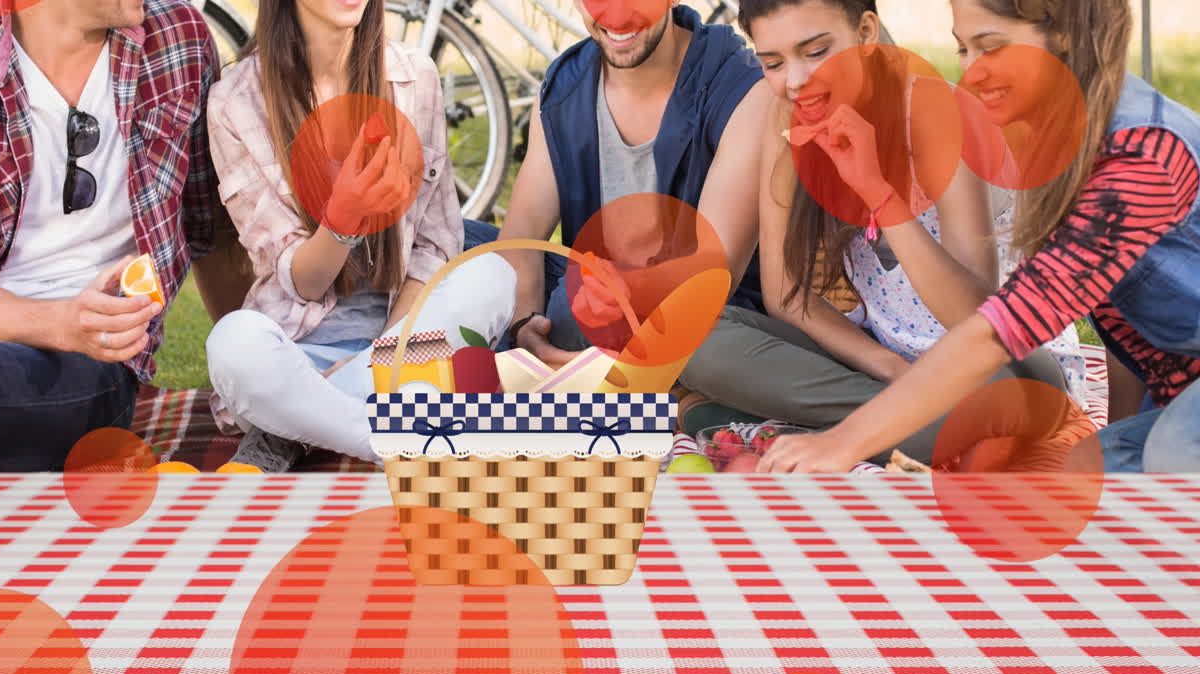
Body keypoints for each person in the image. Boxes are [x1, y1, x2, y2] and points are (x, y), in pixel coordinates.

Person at [758, 0, 1200, 473]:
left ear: (1066, 34)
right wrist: (1113, 436)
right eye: (963, 49)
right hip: (1177, 400)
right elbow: (1118, 320)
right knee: (1071, 483)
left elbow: (1007, 325)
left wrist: (842, 444)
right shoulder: (1068, 135)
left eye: (990, 47)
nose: (970, 75)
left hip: (1178, 421)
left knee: (1169, 455)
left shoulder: (1143, 159)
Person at [679, 0, 1086, 465]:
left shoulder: (940, 114)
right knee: (694, 335)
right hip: (885, 359)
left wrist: (877, 192)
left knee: (1006, 395)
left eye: (816, 52)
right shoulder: (786, 118)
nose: (795, 81)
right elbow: (786, 295)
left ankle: (787, 426)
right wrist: (891, 370)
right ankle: (904, 430)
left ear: (867, 32)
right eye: (773, 62)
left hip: (1003, 361)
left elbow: (977, 322)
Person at [205, 0, 516, 472]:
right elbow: (301, 282)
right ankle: (392, 435)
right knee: (233, 345)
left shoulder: (416, 78)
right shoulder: (237, 100)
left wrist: (388, 356)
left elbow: (434, 249)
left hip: (406, 346)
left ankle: (301, 424)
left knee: (493, 274)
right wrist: (342, 222)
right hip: (298, 349)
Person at [0, 0, 221, 471]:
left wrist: (253, 369)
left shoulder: (178, 38)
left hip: (91, 362)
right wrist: (58, 319)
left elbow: (211, 228)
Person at [475, 0, 770, 364]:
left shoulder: (741, 87)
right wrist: (526, 323)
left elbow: (717, 267)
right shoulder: (565, 88)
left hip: (701, 314)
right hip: (594, 290)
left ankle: (546, 368)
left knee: (571, 303)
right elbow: (521, 236)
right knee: (459, 245)